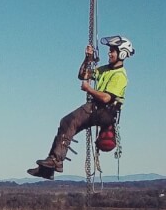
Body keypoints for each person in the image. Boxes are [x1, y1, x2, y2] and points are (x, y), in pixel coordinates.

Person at [28, 35, 133, 179]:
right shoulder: (105, 70)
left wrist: (89, 89)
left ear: (121, 53)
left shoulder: (120, 75)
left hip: (104, 110)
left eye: (112, 51)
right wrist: (87, 59)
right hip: (99, 109)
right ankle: (49, 167)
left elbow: (106, 97)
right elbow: (82, 75)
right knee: (67, 122)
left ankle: (55, 161)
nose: (109, 53)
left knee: (69, 121)